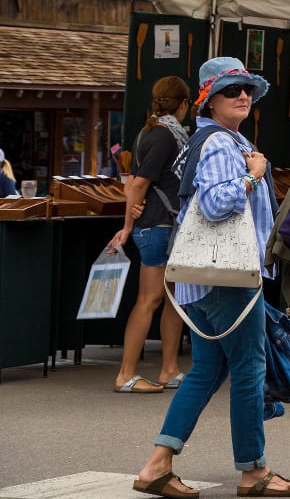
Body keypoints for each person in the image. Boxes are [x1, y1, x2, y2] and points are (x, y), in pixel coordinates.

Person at [132, 58, 290, 499]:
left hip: (204, 277)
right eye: (231, 90)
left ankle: (157, 464)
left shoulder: (213, 139)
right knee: (249, 368)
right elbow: (215, 203)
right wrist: (253, 175)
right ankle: (253, 471)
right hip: (226, 276)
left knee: (207, 370)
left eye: (246, 88)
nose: (242, 95)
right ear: (209, 100)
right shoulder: (221, 145)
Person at [107, 76, 190, 394]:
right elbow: (138, 183)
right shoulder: (165, 136)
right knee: (151, 298)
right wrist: (128, 225)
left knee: (174, 298)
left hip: (163, 223)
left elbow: (135, 181)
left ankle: (169, 368)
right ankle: (125, 374)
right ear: (184, 104)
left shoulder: (155, 131)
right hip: (156, 225)